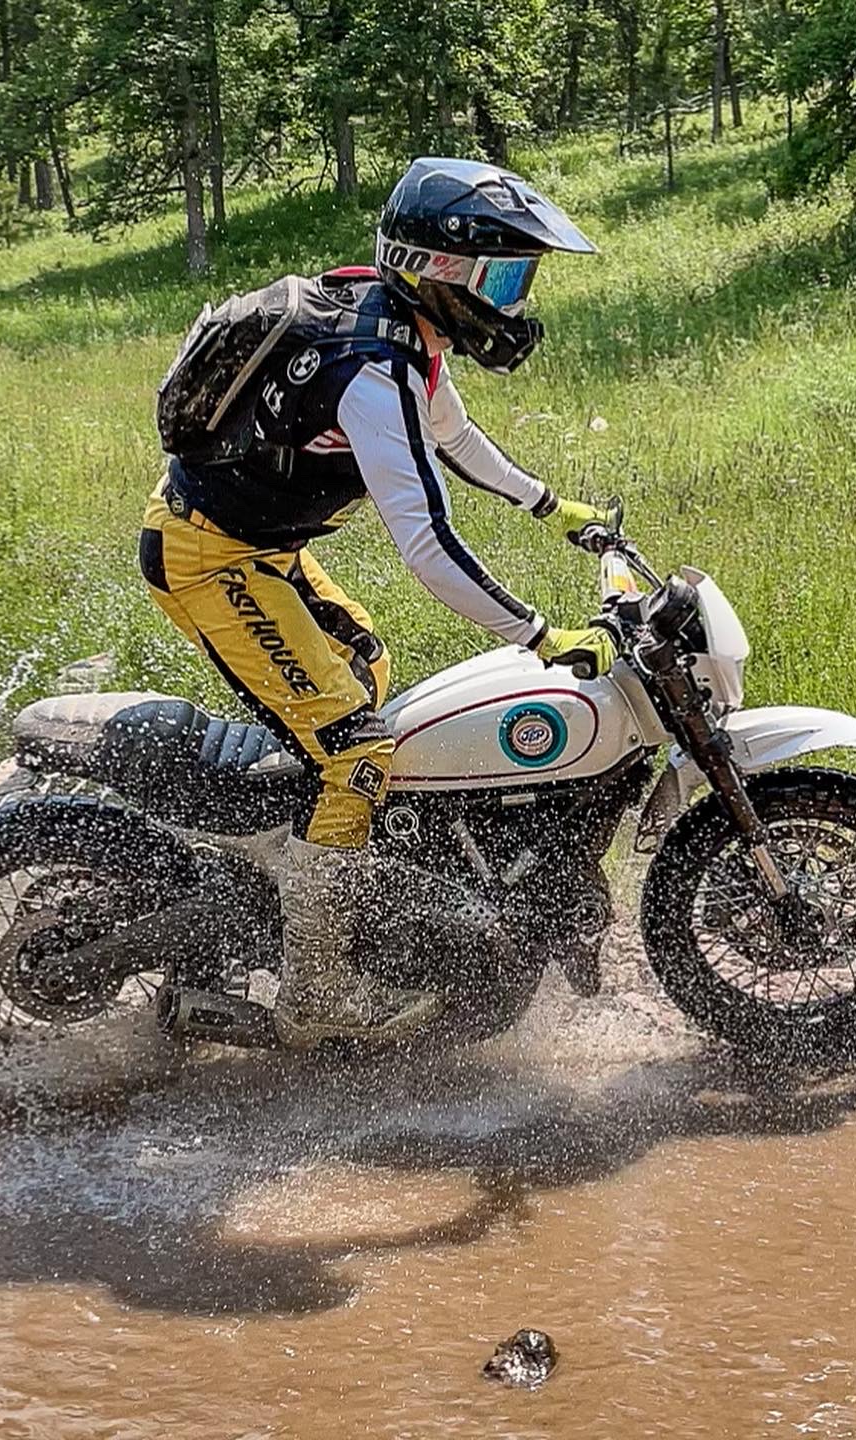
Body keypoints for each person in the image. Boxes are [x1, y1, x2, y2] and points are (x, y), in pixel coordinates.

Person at [140, 156, 618, 1049]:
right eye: (503, 277)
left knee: (368, 669)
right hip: (211, 559)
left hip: (260, 551)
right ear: (438, 271)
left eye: (522, 278)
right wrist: (542, 638)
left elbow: (458, 439)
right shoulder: (373, 371)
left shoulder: (409, 341)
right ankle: (314, 997)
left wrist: (554, 508)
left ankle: (310, 861)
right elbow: (428, 545)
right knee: (356, 752)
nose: (513, 301)